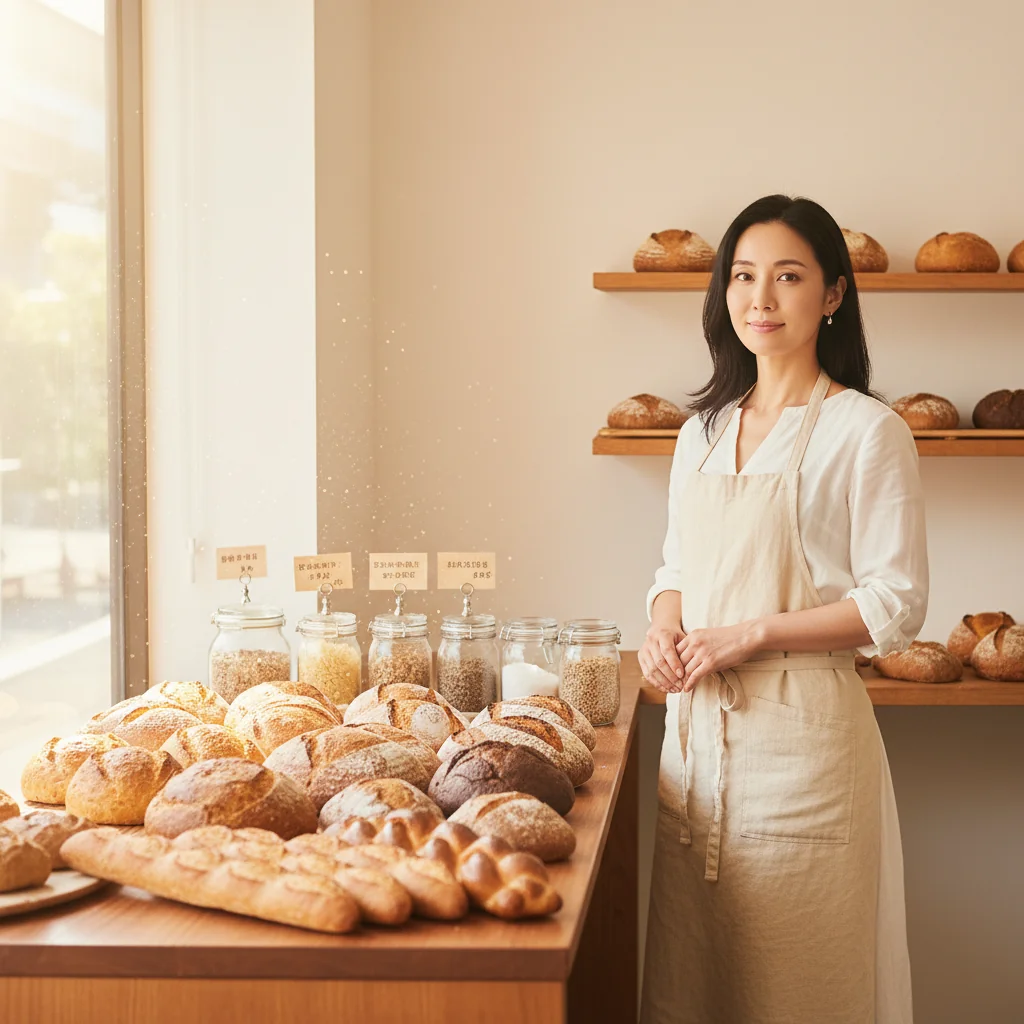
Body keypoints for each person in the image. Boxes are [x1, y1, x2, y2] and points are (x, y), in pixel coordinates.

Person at [638, 195, 927, 1024]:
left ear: (832, 295)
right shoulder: (701, 431)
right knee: (697, 989)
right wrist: (665, 628)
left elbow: (894, 604)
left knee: (803, 987)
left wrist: (751, 634)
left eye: (788, 277)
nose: (759, 299)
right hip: (697, 757)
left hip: (804, 759)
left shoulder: (866, 431)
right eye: (743, 276)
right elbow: (677, 565)